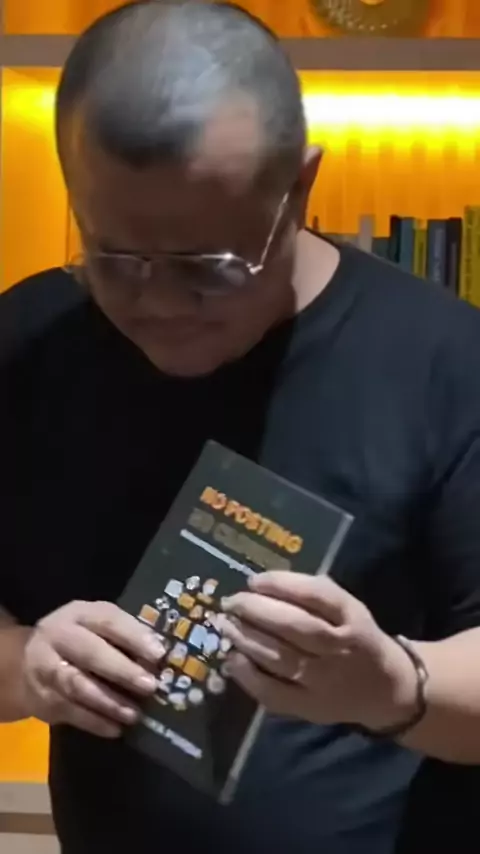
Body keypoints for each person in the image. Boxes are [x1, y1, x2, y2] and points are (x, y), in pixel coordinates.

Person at [1, 1, 480, 852]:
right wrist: (24, 666)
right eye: (117, 257)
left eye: (210, 266)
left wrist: (396, 685)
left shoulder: (445, 361)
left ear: (300, 186)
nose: (159, 303)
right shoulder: (29, 341)